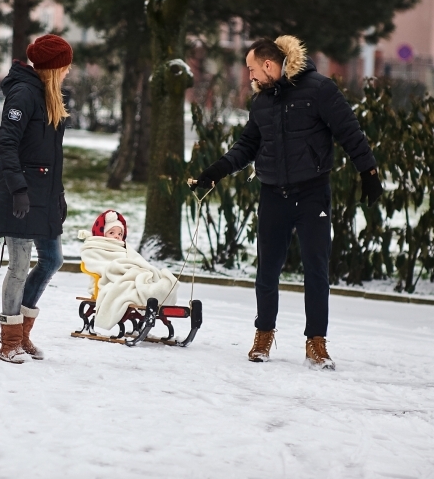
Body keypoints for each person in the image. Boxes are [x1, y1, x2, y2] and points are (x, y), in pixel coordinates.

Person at [190, 36, 383, 370]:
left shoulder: (319, 89)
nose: (250, 77)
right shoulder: (262, 102)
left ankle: (316, 343)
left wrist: (368, 171)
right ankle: (263, 334)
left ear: (268, 65)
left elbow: (349, 130)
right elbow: (247, 145)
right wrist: (214, 172)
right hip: (272, 193)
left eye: (252, 69)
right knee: (267, 270)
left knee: (316, 270)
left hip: (312, 193)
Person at [0, 34, 73, 364]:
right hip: (21, 195)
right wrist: (19, 190)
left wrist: (59, 194)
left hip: (45, 194)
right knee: (20, 267)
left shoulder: (49, 95)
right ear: (54, 67)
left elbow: (52, 155)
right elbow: (6, 145)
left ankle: (22, 331)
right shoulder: (23, 94)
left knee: (52, 260)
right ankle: (9, 340)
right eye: (65, 65)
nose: (68, 70)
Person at [79, 210, 178, 331]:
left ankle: (157, 292)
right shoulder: (95, 248)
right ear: (102, 234)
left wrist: (141, 271)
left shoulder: (124, 248)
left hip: (132, 276)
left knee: (146, 279)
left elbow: (138, 262)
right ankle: (152, 294)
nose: (117, 236)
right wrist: (121, 270)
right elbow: (101, 266)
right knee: (129, 287)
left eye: (120, 234)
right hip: (110, 281)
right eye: (112, 232)